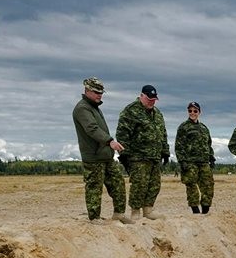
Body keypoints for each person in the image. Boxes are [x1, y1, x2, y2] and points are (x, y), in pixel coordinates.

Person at [71, 77, 132, 225]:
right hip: (93, 157)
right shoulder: (82, 108)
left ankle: (118, 214)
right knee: (94, 188)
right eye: (96, 92)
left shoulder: (94, 107)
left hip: (105, 156)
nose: (100, 95)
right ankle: (94, 218)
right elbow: (92, 129)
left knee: (118, 183)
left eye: (101, 92)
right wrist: (110, 141)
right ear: (87, 91)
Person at [116, 85, 170, 220]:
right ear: (142, 96)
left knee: (154, 185)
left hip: (154, 156)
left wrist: (165, 151)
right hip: (137, 157)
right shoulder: (131, 111)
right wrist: (124, 154)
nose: (152, 101)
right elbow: (122, 134)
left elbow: (163, 133)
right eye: (149, 99)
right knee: (139, 185)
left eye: (154, 99)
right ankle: (135, 212)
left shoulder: (157, 113)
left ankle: (148, 210)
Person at [174, 101, 215, 214]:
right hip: (190, 162)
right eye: (190, 111)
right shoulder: (183, 127)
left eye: (195, 111)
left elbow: (208, 144)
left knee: (208, 186)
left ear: (199, 112)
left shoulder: (204, 128)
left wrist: (211, 157)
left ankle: (205, 211)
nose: (192, 113)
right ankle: (195, 212)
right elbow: (179, 146)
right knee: (192, 187)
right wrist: (182, 161)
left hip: (204, 162)